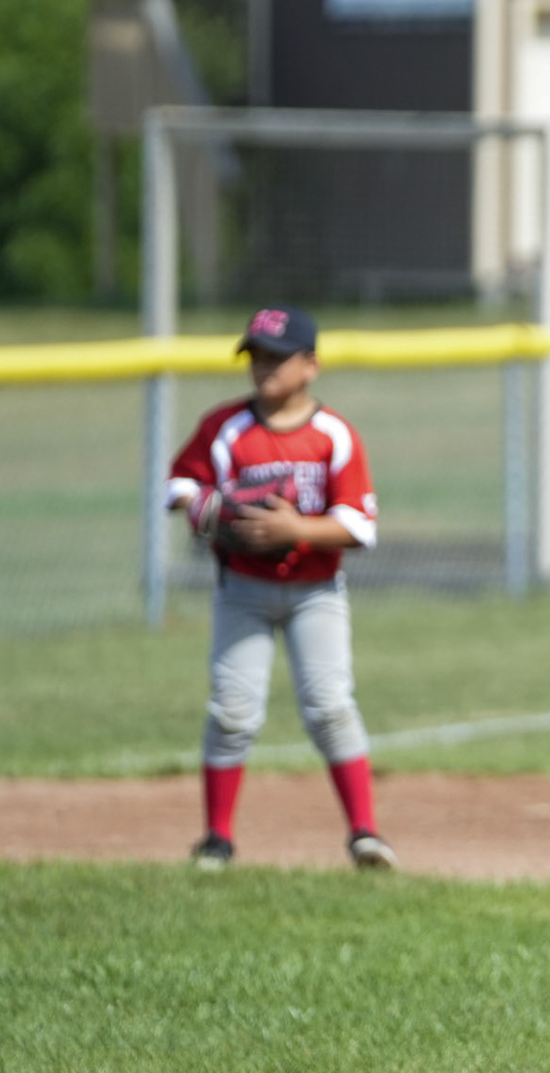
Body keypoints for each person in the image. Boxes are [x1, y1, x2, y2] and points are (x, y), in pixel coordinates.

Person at [165, 306, 396, 873]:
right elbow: (179, 484)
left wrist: (297, 531)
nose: (264, 366)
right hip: (242, 589)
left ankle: (365, 833)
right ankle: (217, 840)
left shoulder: (333, 435)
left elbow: (359, 526)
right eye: (256, 355)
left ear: (311, 365)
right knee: (232, 711)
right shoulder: (225, 428)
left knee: (331, 707)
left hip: (316, 592)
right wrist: (204, 506)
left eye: (277, 356)